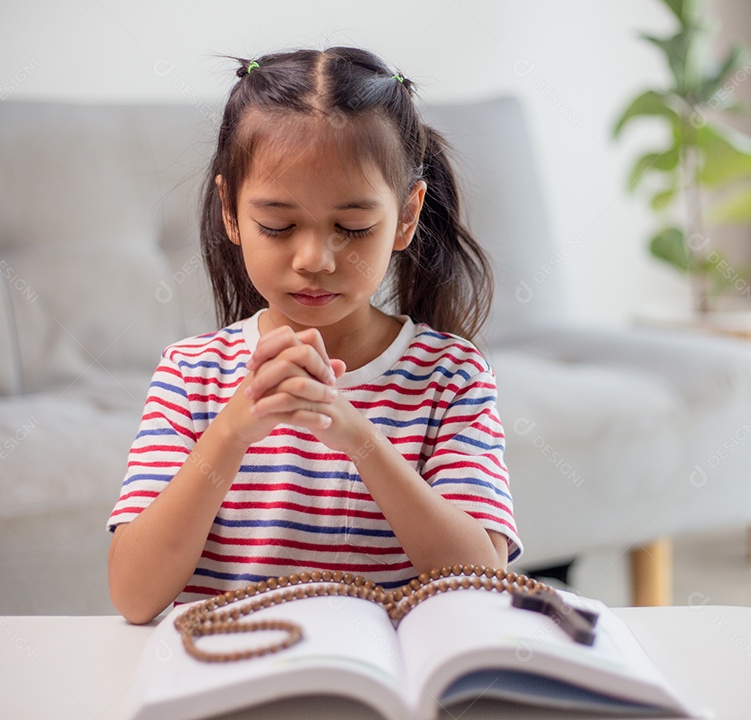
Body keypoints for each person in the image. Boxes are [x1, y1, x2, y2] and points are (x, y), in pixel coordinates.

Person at [106, 47, 521, 624]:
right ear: (230, 211)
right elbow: (133, 594)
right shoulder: (191, 374)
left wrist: (356, 435)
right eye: (277, 226)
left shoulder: (451, 378)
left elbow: (483, 584)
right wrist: (231, 432)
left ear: (406, 216)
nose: (313, 258)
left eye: (352, 228)